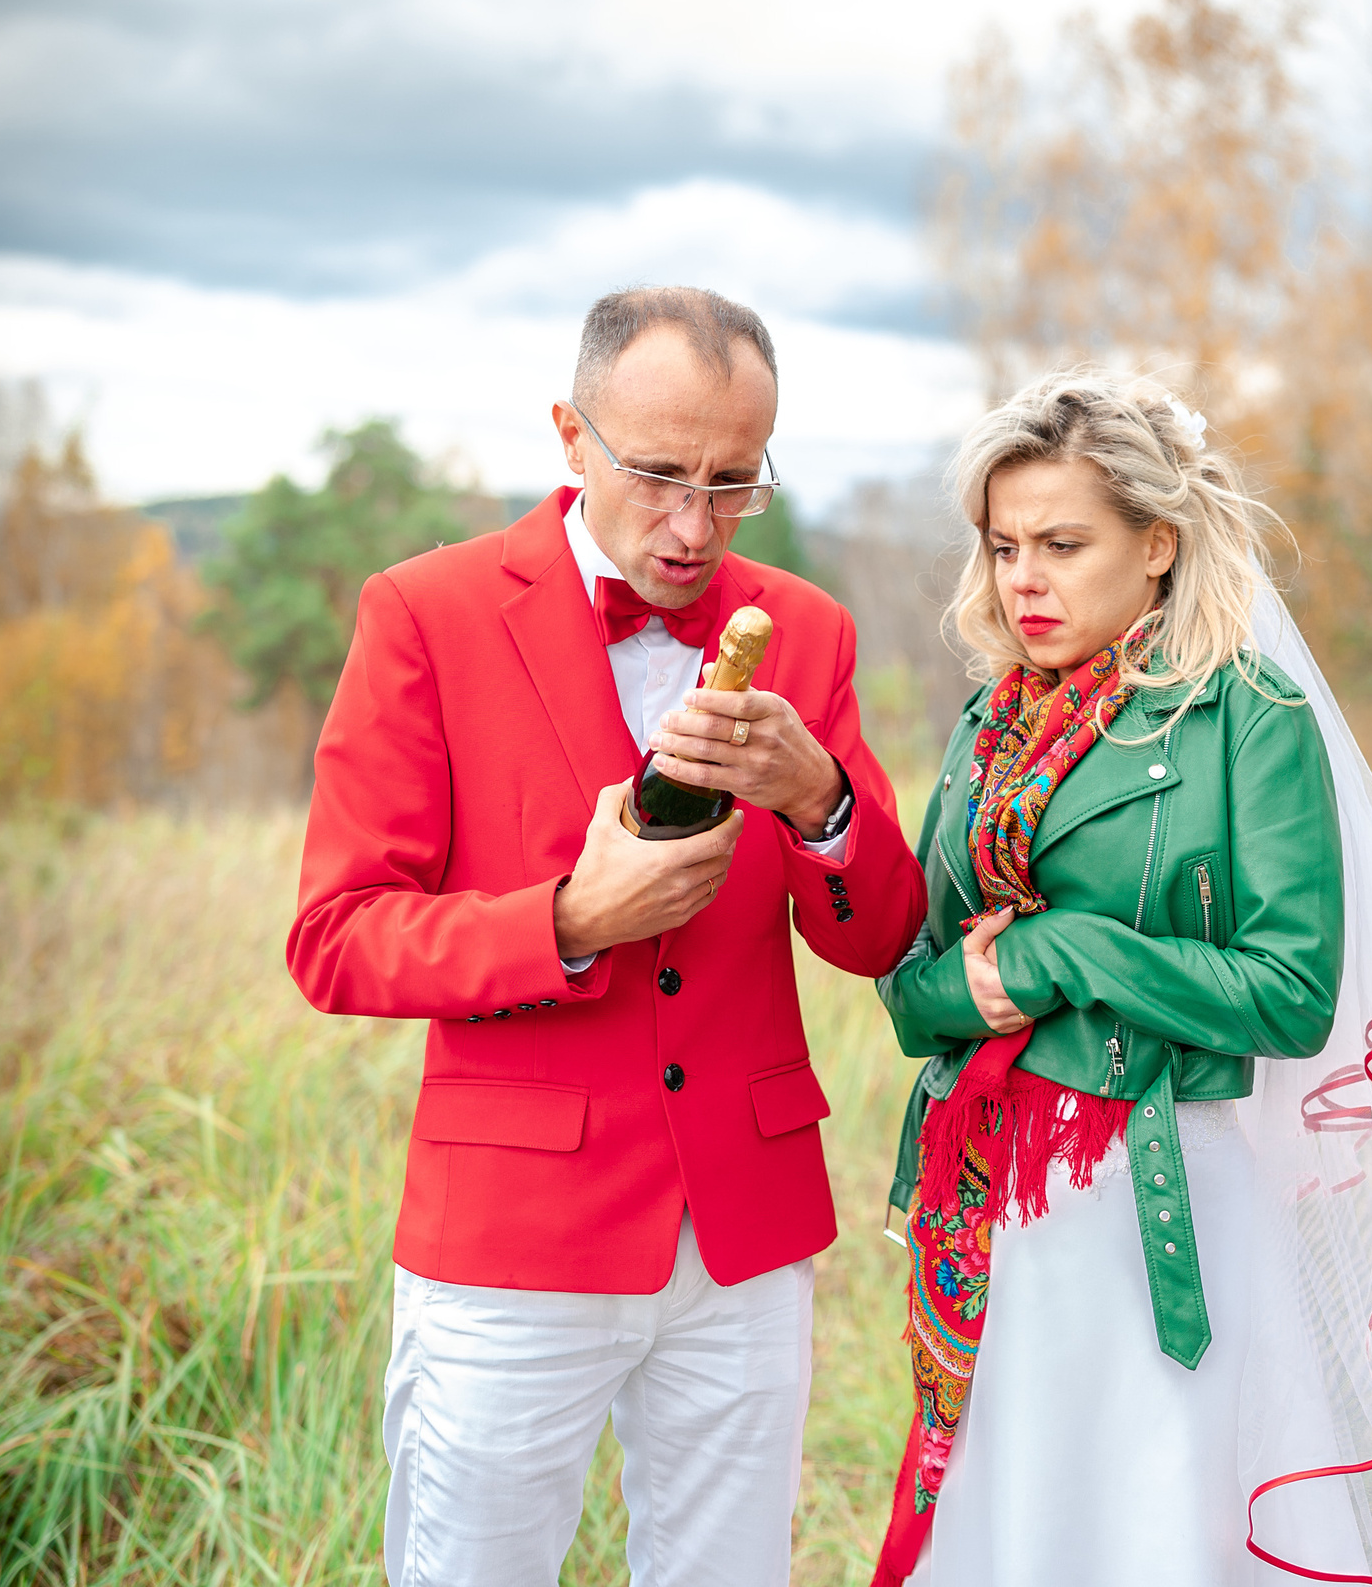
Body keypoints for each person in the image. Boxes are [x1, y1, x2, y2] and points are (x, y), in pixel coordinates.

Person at [287, 286, 928, 1587]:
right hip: (514, 1229)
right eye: (658, 474)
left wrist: (822, 798)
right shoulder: (428, 611)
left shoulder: (809, 630)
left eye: (731, 482)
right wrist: (572, 919)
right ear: (571, 434)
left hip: (744, 1234)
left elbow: (879, 941)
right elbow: (338, 938)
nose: (694, 526)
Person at [872, 371, 1372, 1587]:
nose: (1024, 577)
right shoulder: (988, 723)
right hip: (998, 1204)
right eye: (1004, 544)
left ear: (1156, 544)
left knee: (1155, 1519)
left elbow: (1290, 992)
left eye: (1062, 543)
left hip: (1162, 1196)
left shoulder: (1250, 716)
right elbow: (917, 985)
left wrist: (1061, 952)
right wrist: (959, 992)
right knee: (1019, 1514)